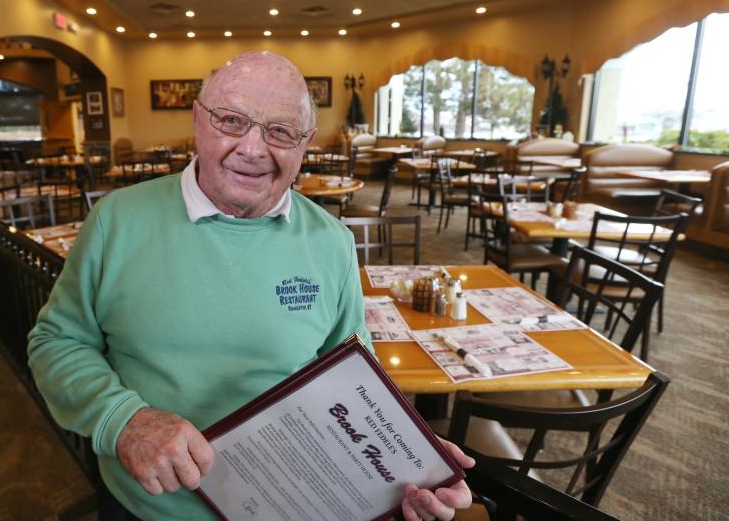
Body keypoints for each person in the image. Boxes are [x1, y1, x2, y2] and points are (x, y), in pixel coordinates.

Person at [27, 51, 473, 521]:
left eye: (280, 131)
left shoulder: (332, 242)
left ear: (306, 145)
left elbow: (353, 381)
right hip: (147, 507)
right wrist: (124, 421)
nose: (253, 148)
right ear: (198, 119)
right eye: (232, 120)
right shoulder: (115, 220)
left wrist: (412, 462)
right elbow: (57, 341)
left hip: (291, 507)